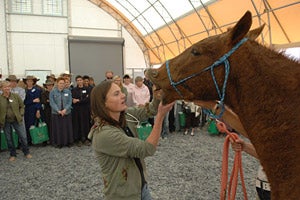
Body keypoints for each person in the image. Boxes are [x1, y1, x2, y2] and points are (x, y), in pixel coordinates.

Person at [88, 80, 174, 200]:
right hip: (124, 195)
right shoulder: (104, 134)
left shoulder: (126, 115)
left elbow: (150, 109)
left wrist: (157, 97)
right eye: (116, 94)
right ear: (104, 103)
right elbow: (147, 149)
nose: (123, 95)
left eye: (121, 92)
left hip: (141, 188)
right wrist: (160, 117)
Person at [0, 81, 32, 161]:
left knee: (23, 136)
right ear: (1, 88)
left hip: (17, 119)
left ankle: (26, 152)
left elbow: (22, 106)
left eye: (8, 87)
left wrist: (21, 114)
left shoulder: (16, 96)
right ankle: (12, 154)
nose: (7, 88)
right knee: (9, 138)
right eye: (5, 87)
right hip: (5, 121)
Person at [49, 77, 73, 148]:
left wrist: (65, 109)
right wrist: (58, 110)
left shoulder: (68, 91)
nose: (62, 85)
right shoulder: (53, 92)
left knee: (67, 128)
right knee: (58, 128)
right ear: (57, 83)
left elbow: (69, 101)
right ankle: (59, 143)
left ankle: (68, 142)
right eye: (60, 83)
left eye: (63, 83)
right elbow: (52, 102)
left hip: (66, 112)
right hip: (56, 113)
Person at [71, 75, 92, 146]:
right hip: (76, 110)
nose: (79, 81)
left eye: (80, 80)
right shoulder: (73, 90)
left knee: (86, 124)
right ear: (76, 81)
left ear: (82, 81)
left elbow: (88, 99)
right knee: (77, 124)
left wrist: (79, 100)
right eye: (78, 80)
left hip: (85, 109)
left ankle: (86, 139)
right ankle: (78, 139)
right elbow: (72, 99)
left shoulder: (88, 89)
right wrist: (78, 100)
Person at [23, 75, 42, 144]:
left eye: (31, 81)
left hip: (34, 109)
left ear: (33, 82)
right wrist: (32, 101)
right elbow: (24, 102)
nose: (29, 82)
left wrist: (38, 110)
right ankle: (28, 140)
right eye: (28, 81)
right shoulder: (24, 90)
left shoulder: (37, 90)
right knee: (27, 124)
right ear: (26, 82)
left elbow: (38, 101)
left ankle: (36, 138)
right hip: (26, 110)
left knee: (34, 124)